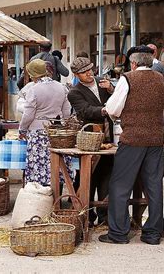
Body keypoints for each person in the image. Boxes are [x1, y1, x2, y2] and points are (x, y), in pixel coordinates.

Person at [99, 45, 164, 245]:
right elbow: (161, 110)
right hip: (155, 139)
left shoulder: (127, 79)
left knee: (120, 185)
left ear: (133, 63)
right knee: (154, 186)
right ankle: (153, 234)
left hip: (132, 139)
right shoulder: (161, 81)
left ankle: (118, 233)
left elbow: (112, 108)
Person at [68, 57, 114, 226]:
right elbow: (85, 111)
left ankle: (105, 216)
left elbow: (118, 96)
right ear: (76, 75)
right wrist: (106, 109)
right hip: (89, 137)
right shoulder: (74, 92)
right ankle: (86, 216)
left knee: (107, 176)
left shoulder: (101, 81)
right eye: (84, 72)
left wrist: (110, 88)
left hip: (108, 135)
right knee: (88, 176)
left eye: (90, 69)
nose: (89, 73)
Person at [19, 59, 73, 186]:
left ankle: (42, 198)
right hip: (56, 132)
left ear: (33, 75)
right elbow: (66, 111)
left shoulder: (34, 90)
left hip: (37, 134)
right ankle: (56, 196)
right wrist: (65, 125)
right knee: (56, 166)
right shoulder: (61, 87)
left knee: (40, 168)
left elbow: (28, 114)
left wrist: (22, 129)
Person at [148, 43, 164, 131]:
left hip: (158, 94)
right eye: (150, 50)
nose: (152, 52)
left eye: (154, 51)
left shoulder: (159, 65)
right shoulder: (142, 64)